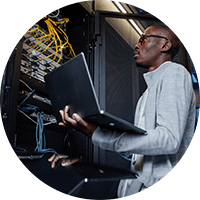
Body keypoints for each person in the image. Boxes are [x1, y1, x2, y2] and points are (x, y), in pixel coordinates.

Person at [48, 25, 196, 198]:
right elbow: (137, 149)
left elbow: (169, 140)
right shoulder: (146, 95)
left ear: (165, 45)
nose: (137, 45)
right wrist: (93, 131)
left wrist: (99, 135)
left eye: (143, 39)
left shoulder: (175, 73)